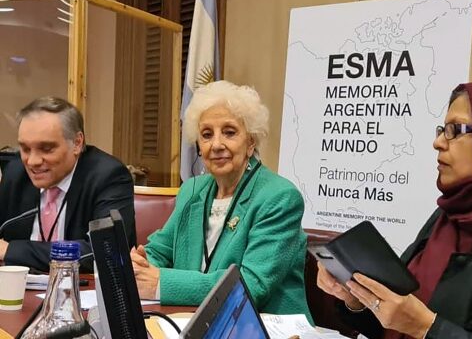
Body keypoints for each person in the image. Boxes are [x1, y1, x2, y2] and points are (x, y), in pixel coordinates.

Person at [131, 80, 312, 318]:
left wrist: (160, 283)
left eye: (229, 132)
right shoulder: (192, 190)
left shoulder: (279, 197)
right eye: (207, 135)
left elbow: (250, 285)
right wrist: (140, 265)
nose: (216, 145)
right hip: (193, 318)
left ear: (251, 142)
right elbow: (161, 249)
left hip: (264, 326)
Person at [316, 81, 472, 338]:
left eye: (455, 130)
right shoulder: (446, 216)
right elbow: (394, 318)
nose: (438, 142)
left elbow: (416, 322)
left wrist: (426, 327)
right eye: (441, 130)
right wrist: (358, 299)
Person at [0, 97, 135, 272]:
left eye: (46, 149)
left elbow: (105, 251)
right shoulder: (15, 173)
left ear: (77, 143)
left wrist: (12, 250)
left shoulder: (108, 176)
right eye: (25, 149)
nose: (32, 161)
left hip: (81, 292)